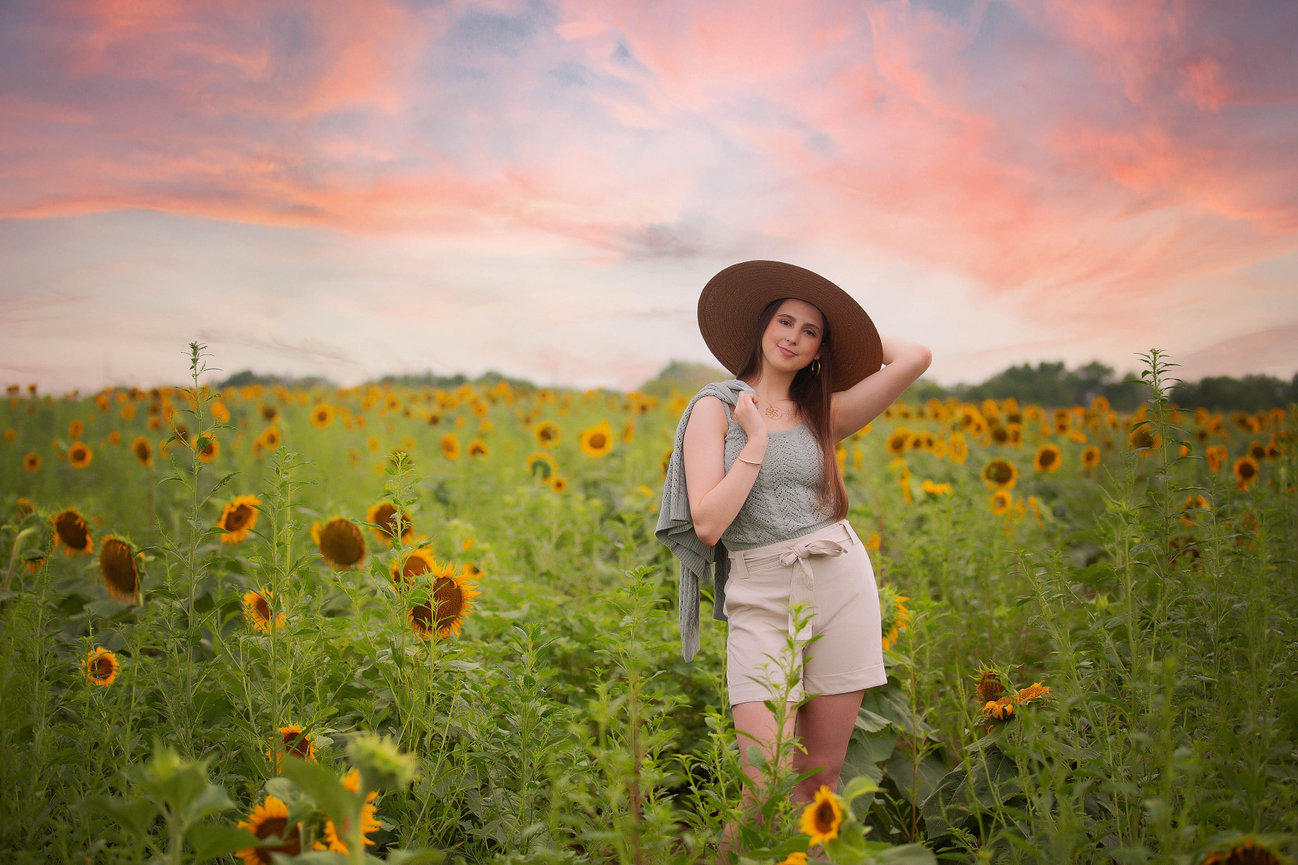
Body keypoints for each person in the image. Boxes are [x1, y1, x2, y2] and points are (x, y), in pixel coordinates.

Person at [655, 260, 931, 857]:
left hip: (840, 578)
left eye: (811, 332)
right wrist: (753, 441)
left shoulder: (821, 412)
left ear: (818, 351)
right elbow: (706, 523)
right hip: (760, 592)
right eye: (786, 321)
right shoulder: (715, 407)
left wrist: (849, 334)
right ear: (761, 326)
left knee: (821, 780)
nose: (794, 337)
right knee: (767, 783)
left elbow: (915, 356)